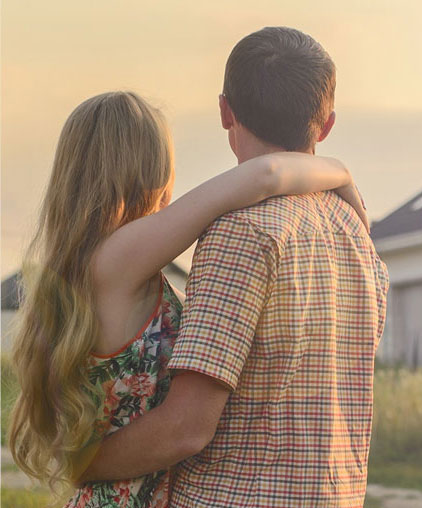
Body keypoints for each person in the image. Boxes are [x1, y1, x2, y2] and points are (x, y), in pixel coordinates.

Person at [7, 90, 369, 507]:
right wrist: (338, 171)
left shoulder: (90, 266)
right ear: (152, 170)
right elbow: (265, 175)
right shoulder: (119, 257)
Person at [79, 27, 390, 507]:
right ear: (325, 126)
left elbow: (186, 428)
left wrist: (83, 462)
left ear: (226, 111)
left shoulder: (239, 233)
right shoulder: (357, 234)